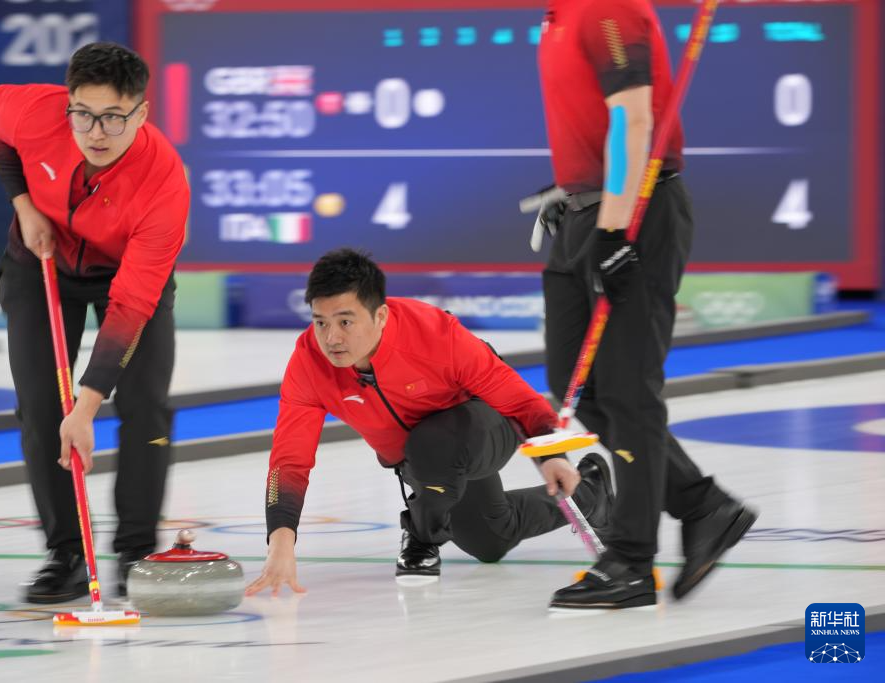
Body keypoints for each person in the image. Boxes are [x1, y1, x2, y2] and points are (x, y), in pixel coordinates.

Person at [537, 0, 757, 609]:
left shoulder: (606, 7)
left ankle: (631, 562)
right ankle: (702, 505)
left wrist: (612, 227)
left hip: (634, 213)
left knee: (628, 391)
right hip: (586, 209)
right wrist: (576, 192)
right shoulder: (559, 15)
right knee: (576, 383)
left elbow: (635, 118)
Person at [245, 248, 614, 596]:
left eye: (345, 321)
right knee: (490, 540)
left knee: (431, 445)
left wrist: (552, 455)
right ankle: (591, 492)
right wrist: (281, 539)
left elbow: (520, 400)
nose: (331, 338)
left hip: (486, 422)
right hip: (425, 460)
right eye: (320, 322)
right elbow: (289, 461)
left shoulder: (435, 334)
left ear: (380, 316)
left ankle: (421, 536)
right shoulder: (309, 364)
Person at [0, 42, 189, 603]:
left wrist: (88, 406)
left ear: (141, 113)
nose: (96, 132)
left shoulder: (163, 182)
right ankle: (67, 553)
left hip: (125, 274)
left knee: (144, 403)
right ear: (67, 103)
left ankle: (137, 550)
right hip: (41, 260)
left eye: (114, 117)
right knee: (42, 407)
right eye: (83, 114)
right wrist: (24, 205)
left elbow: (132, 306)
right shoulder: (34, 112)